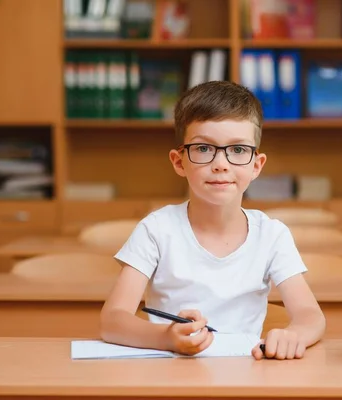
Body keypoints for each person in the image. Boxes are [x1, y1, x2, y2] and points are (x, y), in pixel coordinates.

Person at [100, 80, 326, 360]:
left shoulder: (271, 235)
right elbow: (112, 320)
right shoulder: (156, 230)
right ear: (179, 161)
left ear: (257, 165)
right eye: (204, 149)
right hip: (168, 376)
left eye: (239, 150)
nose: (221, 163)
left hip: (246, 376)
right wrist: (166, 338)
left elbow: (311, 316)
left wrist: (293, 336)